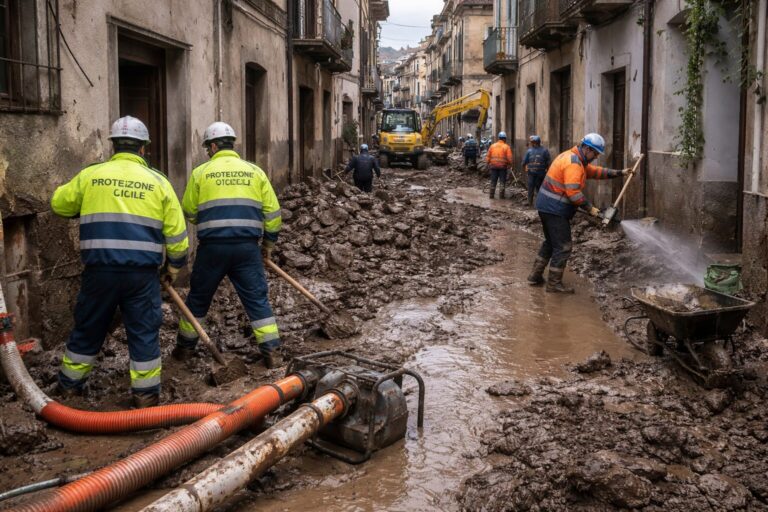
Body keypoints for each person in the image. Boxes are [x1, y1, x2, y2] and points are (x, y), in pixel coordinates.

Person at [51, 116, 189, 408]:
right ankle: (145, 397)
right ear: (143, 148)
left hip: (99, 272)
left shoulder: (91, 176)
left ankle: (69, 389)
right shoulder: (159, 182)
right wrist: (172, 269)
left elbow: (59, 204)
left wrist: (85, 205)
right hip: (142, 277)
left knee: (88, 327)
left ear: (113, 146)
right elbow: (178, 238)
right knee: (144, 333)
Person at [174, 122, 284, 368]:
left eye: (207, 148)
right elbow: (273, 214)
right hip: (247, 249)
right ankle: (273, 354)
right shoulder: (255, 172)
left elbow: (189, 210)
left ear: (213, 146)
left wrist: (208, 220)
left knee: (198, 298)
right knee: (257, 300)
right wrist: (268, 245)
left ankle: (184, 350)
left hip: (212, 249)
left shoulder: (201, 173)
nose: (207, 152)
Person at [528, 133, 633, 293]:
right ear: (587, 149)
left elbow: (596, 172)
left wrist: (620, 172)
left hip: (546, 207)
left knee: (550, 243)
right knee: (563, 246)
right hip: (554, 210)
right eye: (595, 153)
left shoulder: (575, 158)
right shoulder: (574, 163)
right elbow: (573, 194)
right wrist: (591, 208)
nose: (596, 157)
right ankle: (554, 284)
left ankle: (535, 276)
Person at [521, 135, 551, 206]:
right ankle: (540, 203)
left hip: (532, 173)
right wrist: (547, 171)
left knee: (531, 188)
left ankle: (530, 202)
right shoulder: (545, 151)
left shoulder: (529, 151)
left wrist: (525, 169)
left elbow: (524, 162)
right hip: (541, 173)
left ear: (534, 143)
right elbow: (548, 162)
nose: (531, 144)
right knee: (539, 188)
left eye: (532, 142)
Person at [485, 131, 513, 199]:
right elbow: (509, 158)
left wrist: (487, 163)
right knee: (502, 181)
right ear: (504, 139)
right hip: (503, 167)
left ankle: (491, 195)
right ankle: (501, 196)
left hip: (493, 166)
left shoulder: (492, 146)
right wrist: (510, 164)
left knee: (493, 181)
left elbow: (488, 156)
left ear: (499, 138)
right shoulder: (506, 147)